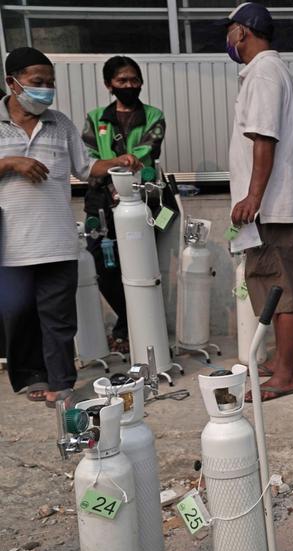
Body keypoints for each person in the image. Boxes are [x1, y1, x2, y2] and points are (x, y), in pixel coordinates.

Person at [0, 47, 139, 407]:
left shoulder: (59, 123)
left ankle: (60, 381)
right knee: (19, 315)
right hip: (11, 242)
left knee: (58, 317)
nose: (45, 89)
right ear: (11, 83)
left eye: (50, 82)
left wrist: (116, 162)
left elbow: (85, 167)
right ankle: (33, 376)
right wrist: (12, 162)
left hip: (57, 238)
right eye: (37, 82)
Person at [220, 3, 293, 401]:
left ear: (242, 33)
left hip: (270, 206)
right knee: (270, 285)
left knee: (281, 289)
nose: (228, 39)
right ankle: (279, 361)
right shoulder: (271, 72)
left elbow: (264, 138)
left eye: (230, 31)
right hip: (271, 204)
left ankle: (285, 375)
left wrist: (253, 196)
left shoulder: (265, 73)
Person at [82, 56, 167, 355]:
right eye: (122, 81)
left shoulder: (154, 115)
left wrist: (121, 163)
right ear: (109, 85)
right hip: (100, 202)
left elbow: (145, 152)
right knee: (102, 265)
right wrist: (114, 166)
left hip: (142, 200)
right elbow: (88, 161)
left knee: (141, 265)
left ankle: (139, 330)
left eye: (134, 80)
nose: (129, 85)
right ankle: (132, 321)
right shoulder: (95, 119)